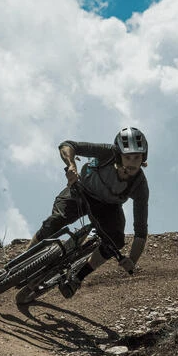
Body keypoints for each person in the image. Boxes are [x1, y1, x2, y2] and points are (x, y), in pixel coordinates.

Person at [27, 127, 150, 298]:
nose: (132, 163)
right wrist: (71, 165)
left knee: (115, 240)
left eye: (137, 157)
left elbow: (140, 231)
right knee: (55, 221)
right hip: (81, 191)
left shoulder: (140, 186)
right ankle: (22, 260)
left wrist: (132, 260)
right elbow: (68, 145)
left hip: (108, 207)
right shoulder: (107, 153)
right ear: (118, 155)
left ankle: (78, 278)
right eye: (128, 157)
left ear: (144, 157)